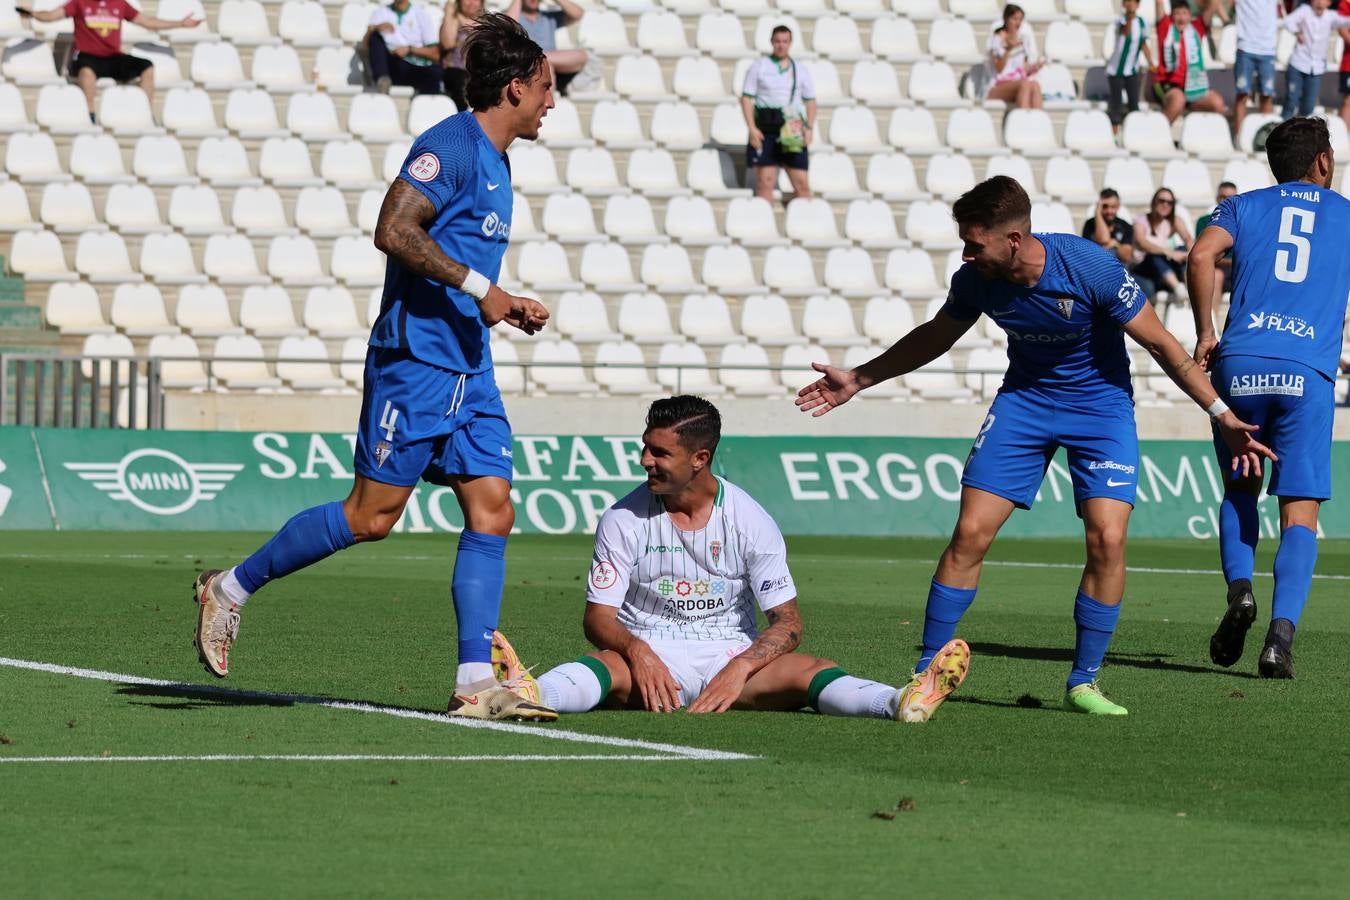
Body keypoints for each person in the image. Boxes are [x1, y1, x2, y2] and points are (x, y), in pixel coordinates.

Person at [795, 175, 1272, 719]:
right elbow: (936, 335)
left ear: (1014, 239)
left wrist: (1222, 414)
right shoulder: (975, 278)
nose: (966, 253)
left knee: (1108, 539)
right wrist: (859, 377)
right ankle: (925, 676)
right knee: (970, 532)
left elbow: (1162, 344)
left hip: (1100, 408)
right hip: (1024, 404)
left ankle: (1084, 683)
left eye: (975, 243)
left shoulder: (1087, 266)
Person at [192, 14, 557, 723]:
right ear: (514, 88)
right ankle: (230, 588)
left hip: (468, 368)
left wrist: (495, 308)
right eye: (545, 89)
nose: (552, 101)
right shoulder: (449, 146)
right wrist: (486, 292)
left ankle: (474, 681)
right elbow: (393, 231)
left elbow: (456, 258)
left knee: (494, 508)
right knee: (371, 517)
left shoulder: (500, 159)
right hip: (414, 363)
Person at [509, 396, 969, 723]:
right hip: (646, 652)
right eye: (645, 446)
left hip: (727, 653)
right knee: (598, 667)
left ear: (699, 458)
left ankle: (900, 702)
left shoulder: (751, 519)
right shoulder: (622, 517)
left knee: (811, 669)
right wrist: (639, 651)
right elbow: (598, 618)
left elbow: (787, 623)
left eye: (660, 452)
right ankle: (528, 694)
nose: (645, 459)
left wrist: (740, 667)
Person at [1188, 116, 1350, 678]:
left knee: (1240, 485)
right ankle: (1280, 637)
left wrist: (1207, 332)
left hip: (1240, 364)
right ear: (1323, 161)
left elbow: (1199, 256)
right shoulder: (1347, 215)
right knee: (1299, 509)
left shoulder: (1241, 206)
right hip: (1307, 371)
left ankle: (1239, 594)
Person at [16, 1, 200, 124]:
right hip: (87, 56)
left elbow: (148, 22)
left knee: (146, 66)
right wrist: (33, 14)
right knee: (87, 72)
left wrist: (180, 24)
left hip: (112, 57)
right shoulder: (80, 2)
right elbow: (51, 15)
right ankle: (90, 116)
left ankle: (146, 114)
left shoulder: (119, 3)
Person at [740, 25, 816, 204]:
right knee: (765, 183)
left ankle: (803, 225)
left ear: (790, 43)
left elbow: (810, 100)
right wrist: (751, 128)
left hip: (792, 128)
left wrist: (809, 127)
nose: (781, 45)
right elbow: (746, 98)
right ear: (772, 42)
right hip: (766, 128)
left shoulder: (800, 69)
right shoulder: (759, 66)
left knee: (802, 184)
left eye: (785, 41)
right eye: (777, 41)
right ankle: (762, 225)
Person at [1154, 0, 1227, 123]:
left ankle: (1200, 136)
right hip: (1168, 84)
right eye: (1177, 13)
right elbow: (1159, 3)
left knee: (1217, 103)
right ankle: (1158, 133)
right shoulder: (1165, 27)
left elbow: (1214, 3)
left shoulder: (1196, 28)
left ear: (1190, 15)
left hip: (1193, 86)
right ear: (1172, 16)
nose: (1181, 18)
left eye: (1184, 13)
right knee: (1178, 100)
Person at [1280, 0, 1350, 119]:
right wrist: (1297, 32)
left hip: (1316, 69)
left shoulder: (1330, 16)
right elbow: (1287, 21)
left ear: (1329, 3)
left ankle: (1303, 134)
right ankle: (1282, 132)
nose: (1319, 2)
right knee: (1291, 101)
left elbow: (1346, 21)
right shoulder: (1304, 11)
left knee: (1308, 106)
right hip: (1298, 64)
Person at [507, 0, 587, 95]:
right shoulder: (516, 16)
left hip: (550, 61)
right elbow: (508, 26)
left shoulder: (549, 17)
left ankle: (541, 59)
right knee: (546, 66)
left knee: (582, 55)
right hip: (527, 66)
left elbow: (578, 14)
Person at [365, 0, 443, 95]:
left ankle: (425, 106)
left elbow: (435, 53)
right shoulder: (380, 13)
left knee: (435, 72)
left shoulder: (421, 14)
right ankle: (382, 79)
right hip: (390, 64)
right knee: (375, 36)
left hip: (413, 65)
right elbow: (366, 46)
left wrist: (410, 49)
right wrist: (375, 28)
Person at [1232, 0, 1282, 140]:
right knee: (1242, 95)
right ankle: (1238, 138)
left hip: (1268, 49)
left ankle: (1266, 139)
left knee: (1266, 96)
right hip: (1245, 47)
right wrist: (1225, 19)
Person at [1133, 187, 1193, 300]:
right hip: (1142, 267)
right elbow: (1142, 243)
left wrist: (1189, 254)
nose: (1165, 205)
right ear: (1154, 202)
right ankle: (1178, 288)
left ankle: (1189, 285)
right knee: (1155, 254)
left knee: (1182, 249)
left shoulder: (1173, 220)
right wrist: (1169, 252)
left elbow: (1188, 239)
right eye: (1162, 201)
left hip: (1161, 269)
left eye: (1170, 202)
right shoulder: (1141, 220)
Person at [1105, 0, 1154, 134]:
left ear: (1138, 5)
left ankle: (1134, 132)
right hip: (1116, 70)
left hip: (1132, 70)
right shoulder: (1120, 21)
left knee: (1134, 103)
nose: (1130, 5)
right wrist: (1130, 18)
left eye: (1133, 2)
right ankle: (1114, 134)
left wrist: (1150, 62)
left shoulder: (1142, 23)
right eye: (1127, 2)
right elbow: (1125, 32)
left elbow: (1143, 44)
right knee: (1116, 104)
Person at [985, 4, 1044, 109]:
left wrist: (1035, 67)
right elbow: (999, 69)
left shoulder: (1022, 39)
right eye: (1014, 19)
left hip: (1017, 82)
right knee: (1025, 85)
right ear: (1006, 19)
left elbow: (1022, 69)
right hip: (997, 86)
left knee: (1035, 85)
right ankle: (1023, 122)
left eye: (1020, 19)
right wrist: (1008, 50)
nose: (1018, 23)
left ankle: (1038, 122)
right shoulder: (997, 38)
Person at [1192, 181, 1237, 303]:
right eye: (1223, 197)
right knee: (1216, 276)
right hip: (1216, 269)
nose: (1227, 201)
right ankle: (1212, 320)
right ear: (1217, 198)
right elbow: (1203, 254)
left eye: (1231, 197)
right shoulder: (1204, 221)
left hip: (1237, 271)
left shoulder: (1244, 223)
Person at [441, 0, 483, 109]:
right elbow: (447, 43)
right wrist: (449, 13)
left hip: (478, 72)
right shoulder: (452, 19)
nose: (471, 3)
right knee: (459, 79)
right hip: (456, 71)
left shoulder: (485, 22)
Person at [1082, 188, 1137, 269]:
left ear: (1118, 206)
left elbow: (1126, 256)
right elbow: (1103, 239)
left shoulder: (1125, 226)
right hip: (1095, 267)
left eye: (1113, 207)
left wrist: (1115, 244)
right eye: (1105, 206)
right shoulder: (1090, 224)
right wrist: (1097, 213)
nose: (1109, 211)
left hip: (1119, 269)